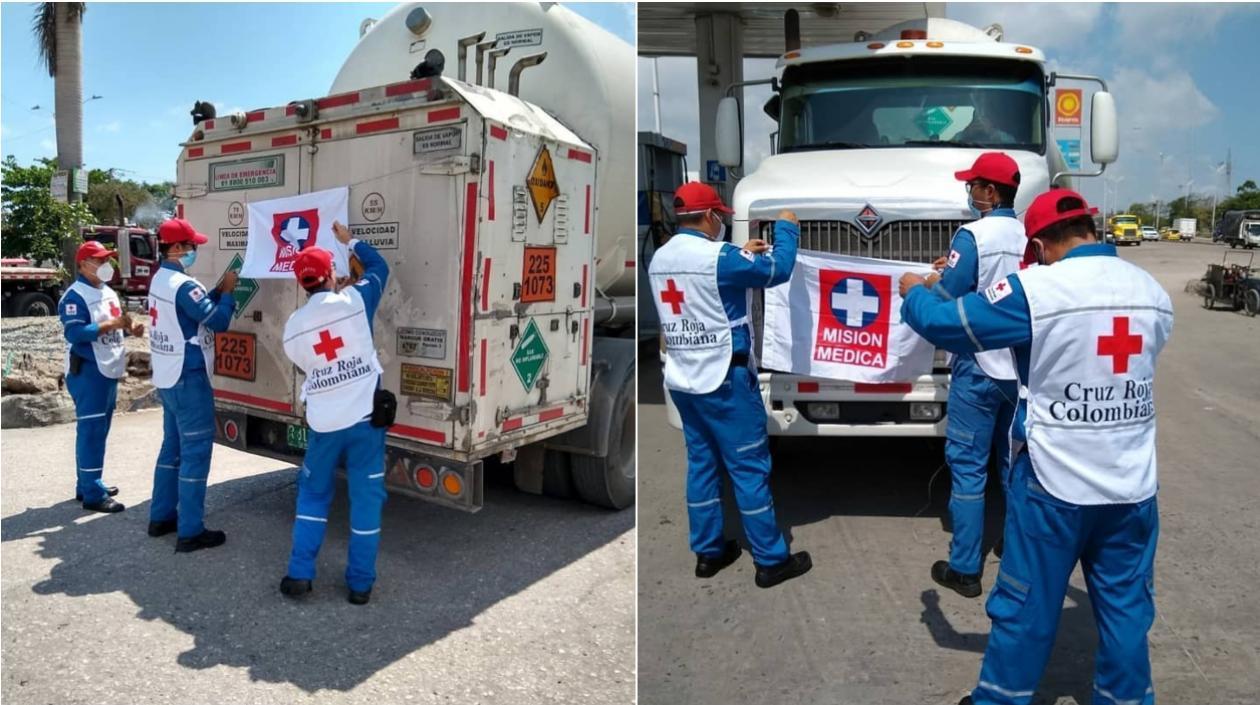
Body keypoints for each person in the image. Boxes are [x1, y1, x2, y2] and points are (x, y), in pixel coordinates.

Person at [898, 190, 1173, 705]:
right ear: (1091, 229)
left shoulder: (1038, 291)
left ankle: (1000, 699)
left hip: (1054, 483)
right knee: (1126, 610)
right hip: (1132, 486)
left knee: (1024, 606)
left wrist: (916, 291)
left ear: (1043, 244)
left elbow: (945, 325)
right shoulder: (1151, 290)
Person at [648, 181, 811, 589]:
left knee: (702, 465)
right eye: (718, 215)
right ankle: (772, 561)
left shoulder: (660, 258)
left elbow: (714, 277)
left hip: (684, 379)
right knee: (748, 468)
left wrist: (741, 255)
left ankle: (709, 552)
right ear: (710, 217)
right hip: (726, 378)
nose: (721, 220)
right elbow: (778, 270)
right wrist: (787, 229)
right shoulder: (720, 258)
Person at [925, 152, 1027, 598]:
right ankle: (1014, 547)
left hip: (979, 363)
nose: (969, 193)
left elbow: (948, 296)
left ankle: (966, 568)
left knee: (968, 467)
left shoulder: (972, 235)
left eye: (974, 186)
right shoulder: (1031, 235)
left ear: (990, 192)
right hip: (1021, 368)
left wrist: (924, 285)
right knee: (1014, 464)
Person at [278, 221, 390, 605]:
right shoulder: (355, 300)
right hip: (363, 422)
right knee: (365, 500)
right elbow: (379, 269)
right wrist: (351, 241)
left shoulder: (293, 328)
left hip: (324, 424)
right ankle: (360, 584)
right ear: (329, 274)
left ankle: (299, 573)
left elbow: (305, 363)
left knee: (312, 495)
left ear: (300, 283)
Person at [147, 218, 237, 552]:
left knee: (171, 449)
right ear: (177, 248)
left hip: (168, 376)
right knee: (196, 453)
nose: (194, 252)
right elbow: (218, 321)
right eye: (191, 247)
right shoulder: (185, 286)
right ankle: (190, 531)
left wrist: (212, 292)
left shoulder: (160, 279)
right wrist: (227, 294)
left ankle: (161, 518)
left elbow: (190, 313)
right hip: (189, 377)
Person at [58, 240, 145, 513]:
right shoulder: (74, 297)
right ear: (83, 265)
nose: (106, 265)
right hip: (88, 370)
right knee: (92, 431)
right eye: (99, 260)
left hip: (108, 367)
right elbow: (76, 333)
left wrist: (132, 328)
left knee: (98, 429)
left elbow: (120, 321)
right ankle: (93, 493)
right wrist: (112, 325)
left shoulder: (107, 291)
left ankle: (87, 483)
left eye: (107, 260)